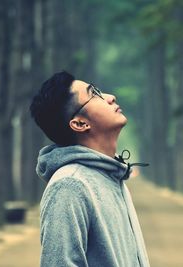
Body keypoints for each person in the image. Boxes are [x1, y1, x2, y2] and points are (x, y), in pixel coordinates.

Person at [30, 71, 150, 267]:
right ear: (79, 123)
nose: (110, 97)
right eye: (94, 94)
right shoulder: (70, 185)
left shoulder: (111, 176)